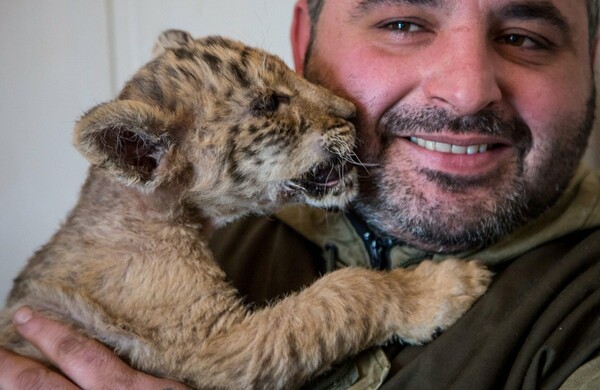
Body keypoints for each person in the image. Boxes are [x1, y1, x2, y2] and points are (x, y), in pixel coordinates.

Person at [1, 0, 599, 388]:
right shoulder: (212, 230)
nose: (468, 92)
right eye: (401, 23)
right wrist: (378, 299)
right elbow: (225, 360)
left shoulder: (581, 311)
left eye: (525, 37)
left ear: (594, 59)